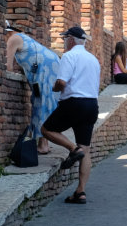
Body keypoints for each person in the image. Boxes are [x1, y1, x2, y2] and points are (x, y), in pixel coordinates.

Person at [41, 25, 102, 203]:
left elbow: (61, 82)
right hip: (92, 104)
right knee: (86, 149)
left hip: (73, 102)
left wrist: (54, 88)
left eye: (64, 38)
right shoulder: (93, 59)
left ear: (71, 40)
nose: (63, 41)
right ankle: (80, 192)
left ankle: (73, 149)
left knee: (46, 130)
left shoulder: (69, 56)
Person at [5, 21, 60, 155]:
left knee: (41, 103)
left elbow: (8, 66)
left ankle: (43, 145)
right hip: (52, 66)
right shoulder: (23, 38)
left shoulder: (13, 39)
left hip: (44, 70)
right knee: (45, 102)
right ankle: (44, 142)